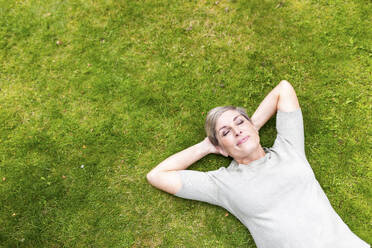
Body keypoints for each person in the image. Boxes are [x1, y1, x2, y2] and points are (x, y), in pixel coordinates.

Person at [146, 80, 370, 248]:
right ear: (221, 147)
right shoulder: (223, 183)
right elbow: (157, 175)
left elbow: (284, 89)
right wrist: (207, 146)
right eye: (226, 132)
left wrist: (250, 128)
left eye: (240, 122)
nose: (237, 130)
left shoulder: (288, 148)